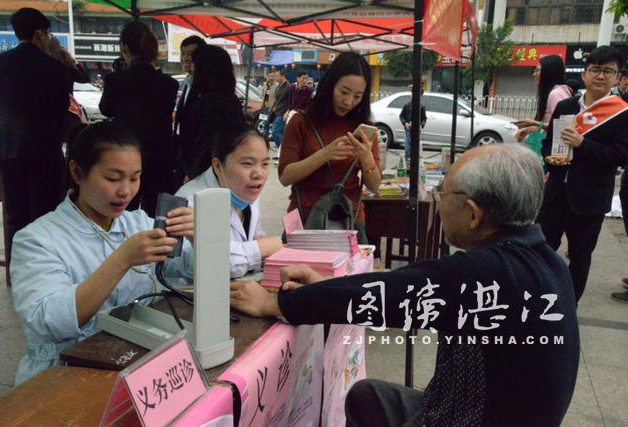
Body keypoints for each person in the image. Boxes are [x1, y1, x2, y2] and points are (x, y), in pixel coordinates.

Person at [231, 143, 579, 427]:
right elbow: (396, 292)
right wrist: (322, 285)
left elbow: (396, 293)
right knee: (367, 396)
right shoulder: (547, 262)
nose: (439, 198)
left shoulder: (486, 273)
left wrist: (272, 304)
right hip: (467, 407)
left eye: (443, 191)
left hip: (465, 419)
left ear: (473, 214)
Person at [10, 121, 195, 385]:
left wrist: (197, 237)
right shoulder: (36, 239)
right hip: (63, 373)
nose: (126, 191)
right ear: (77, 172)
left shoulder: (138, 223)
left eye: (135, 178)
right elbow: (48, 321)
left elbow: (188, 271)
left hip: (133, 360)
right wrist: (121, 260)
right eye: (113, 178)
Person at [538, 45, 628, 302]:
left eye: (608, 71)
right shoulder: (566, 105)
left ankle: (568, 308)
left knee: (579, 258)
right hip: (556, 192)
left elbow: (620, 155)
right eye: (596, 70)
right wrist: (547, 156)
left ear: (617, 76)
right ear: (586, 73)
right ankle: (537, 300)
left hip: (589, 200)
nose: (600, 76)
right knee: (542, 250)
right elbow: (549, 141)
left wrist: (583, 144)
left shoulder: (622, 112)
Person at [0, 7, 70, 270]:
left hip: (9, 148)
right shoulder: (54, 68)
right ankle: (43, 269)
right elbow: (61, 111)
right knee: (45, 214)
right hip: (45, 149)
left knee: (15, 213)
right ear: (40, 34)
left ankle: (19, 269)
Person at [278, 52, 381, 244]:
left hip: (349, 221)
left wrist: (366, 157)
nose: (349, 102)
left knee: (350, 275)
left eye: (357, 96)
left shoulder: (363, 128)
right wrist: (325, 154)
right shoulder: (301, 122)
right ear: (330, 85)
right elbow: (285, 176)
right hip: (304, 219)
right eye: (344, 92)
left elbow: (374, 185)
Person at [176, 124, 282, 278]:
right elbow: (209, 263)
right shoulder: (190, 203)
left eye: (265, 164)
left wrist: (255, 249)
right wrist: (261, 249)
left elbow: (256, 239)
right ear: (218, 166)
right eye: (247, 164)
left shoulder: (245, 193)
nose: (258, 173)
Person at [99, 21, 178, 217]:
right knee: (156, 219)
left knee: (123, 215)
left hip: (124, 157)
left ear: (124, 47)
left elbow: (106, 109)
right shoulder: (169, 84)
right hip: (159, 158)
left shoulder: (116, 81)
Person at [179, 44, 245, 180]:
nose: (193, 68)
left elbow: (208, 144)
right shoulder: (228, 98)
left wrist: (193, 174)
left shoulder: (211, 101)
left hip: (208, 175)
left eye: (196, 65)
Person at [173, 35, 206, 186]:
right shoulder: (187, 82)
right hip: (181, 155)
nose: (186, 58)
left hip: (195, 162)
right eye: (183, 53)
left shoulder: (205, 89)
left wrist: (193, 170)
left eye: (191, 54)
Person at [516, 55, 572, 141]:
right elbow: (549, 124)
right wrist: (527, 130)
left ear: (549, 72)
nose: (534, 74)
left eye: (537, 70)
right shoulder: (554, 92)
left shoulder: (556, 94)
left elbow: (563, 125)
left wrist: (533, 122)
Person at [399, 94, 427, 161]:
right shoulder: (407, 105)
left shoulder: (422, 106)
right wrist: (405, 123)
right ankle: (407, 160)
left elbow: (424, 119)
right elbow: (401, 116)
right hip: (408, 129)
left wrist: (421, 125)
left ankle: (414, 161)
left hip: (417, 130)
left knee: (415, 146)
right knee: (407, 145)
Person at [271, 69, 291, 155]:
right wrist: (273, 107)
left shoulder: (289, 87)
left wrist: (287, 112)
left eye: (277, 76)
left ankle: (284, 150)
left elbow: (291, 101)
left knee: (275, 131)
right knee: (281, 133)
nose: (275, 78)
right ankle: (282, 153)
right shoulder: (278, 86)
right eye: (275, 76)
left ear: (282, 76)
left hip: (283, 113)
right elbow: (276, 99)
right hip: (277, 111)